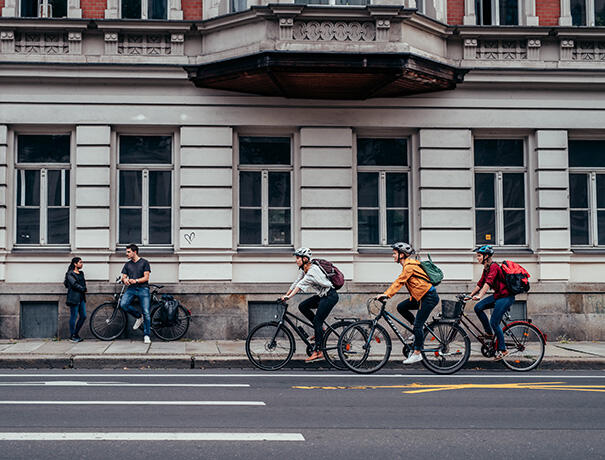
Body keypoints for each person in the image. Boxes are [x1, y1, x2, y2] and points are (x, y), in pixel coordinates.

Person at [376, 242, 440, 365]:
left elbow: (399, 282)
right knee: (401, 307)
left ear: (402, 255)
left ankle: (417, 353)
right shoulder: (408, 265)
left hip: (428, 297)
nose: (393, 256)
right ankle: (417, 331)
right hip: (421, 296)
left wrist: (386, 294)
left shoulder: (409, 266)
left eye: (394, 254)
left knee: (418, 325)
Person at [282, 247, 339, 363]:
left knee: (318, 321)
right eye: (296, 258)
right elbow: (296, 282)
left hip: (330, 296)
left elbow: (301, 285)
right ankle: (320, 330)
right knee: (303, 306)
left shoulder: (312, 271)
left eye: (298, 258)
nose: (296, 260)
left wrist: (289, 297)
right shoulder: (304, 270)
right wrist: (285, 294)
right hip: (323, 295)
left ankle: (318, 351)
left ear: (304, 259)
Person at [469, 245, 515, 360]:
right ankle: (489, 333)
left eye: (479, 256)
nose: (477, 258)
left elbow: (488, 283)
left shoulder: (494, 267)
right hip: (498, 295)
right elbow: (480, 283)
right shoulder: (487, 268)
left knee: (494, 322)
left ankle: (503, 350)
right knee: (478, 307)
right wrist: (469, 296)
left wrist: (480, 295)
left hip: (506, 297)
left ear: (486, 256)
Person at [120, 244, 152, 344]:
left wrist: (136, 280)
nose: (127, 254)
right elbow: (123, 277)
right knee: (123, 304)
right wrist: (125, 280)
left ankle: (147, 335)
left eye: (128, 252)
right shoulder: (127, 264)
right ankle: (138, 316)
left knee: (146, 312)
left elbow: (146, 278)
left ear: (135, 252)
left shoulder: (144, 262)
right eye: (127, 252)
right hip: (131, 289)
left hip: (143, 289)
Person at [64, 257, 87, 343]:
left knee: (83, 316)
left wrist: (83, 288)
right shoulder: (70, 274)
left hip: (81, 298)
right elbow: (74, 284)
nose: (82, 264)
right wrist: (83, 289)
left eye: (82, 262)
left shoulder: (81, 273)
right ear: (75, 264)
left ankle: (76, 333)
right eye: (80, 262)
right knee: (73, 316)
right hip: (74, 298)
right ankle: (72, 335)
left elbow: (83, 283)